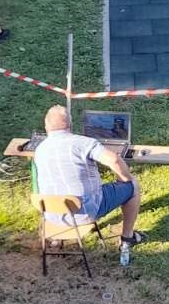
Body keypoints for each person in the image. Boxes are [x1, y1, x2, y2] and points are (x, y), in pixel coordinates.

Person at [33, 104, 144, 259]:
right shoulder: (83, 143)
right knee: (133, 186)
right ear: (70, 125)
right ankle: (127, 238)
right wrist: (125, 178)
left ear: (46, 127)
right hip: (85, 212)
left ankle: (57, 239)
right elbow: (114, 160)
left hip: (52, 215)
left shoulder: (39, 149)